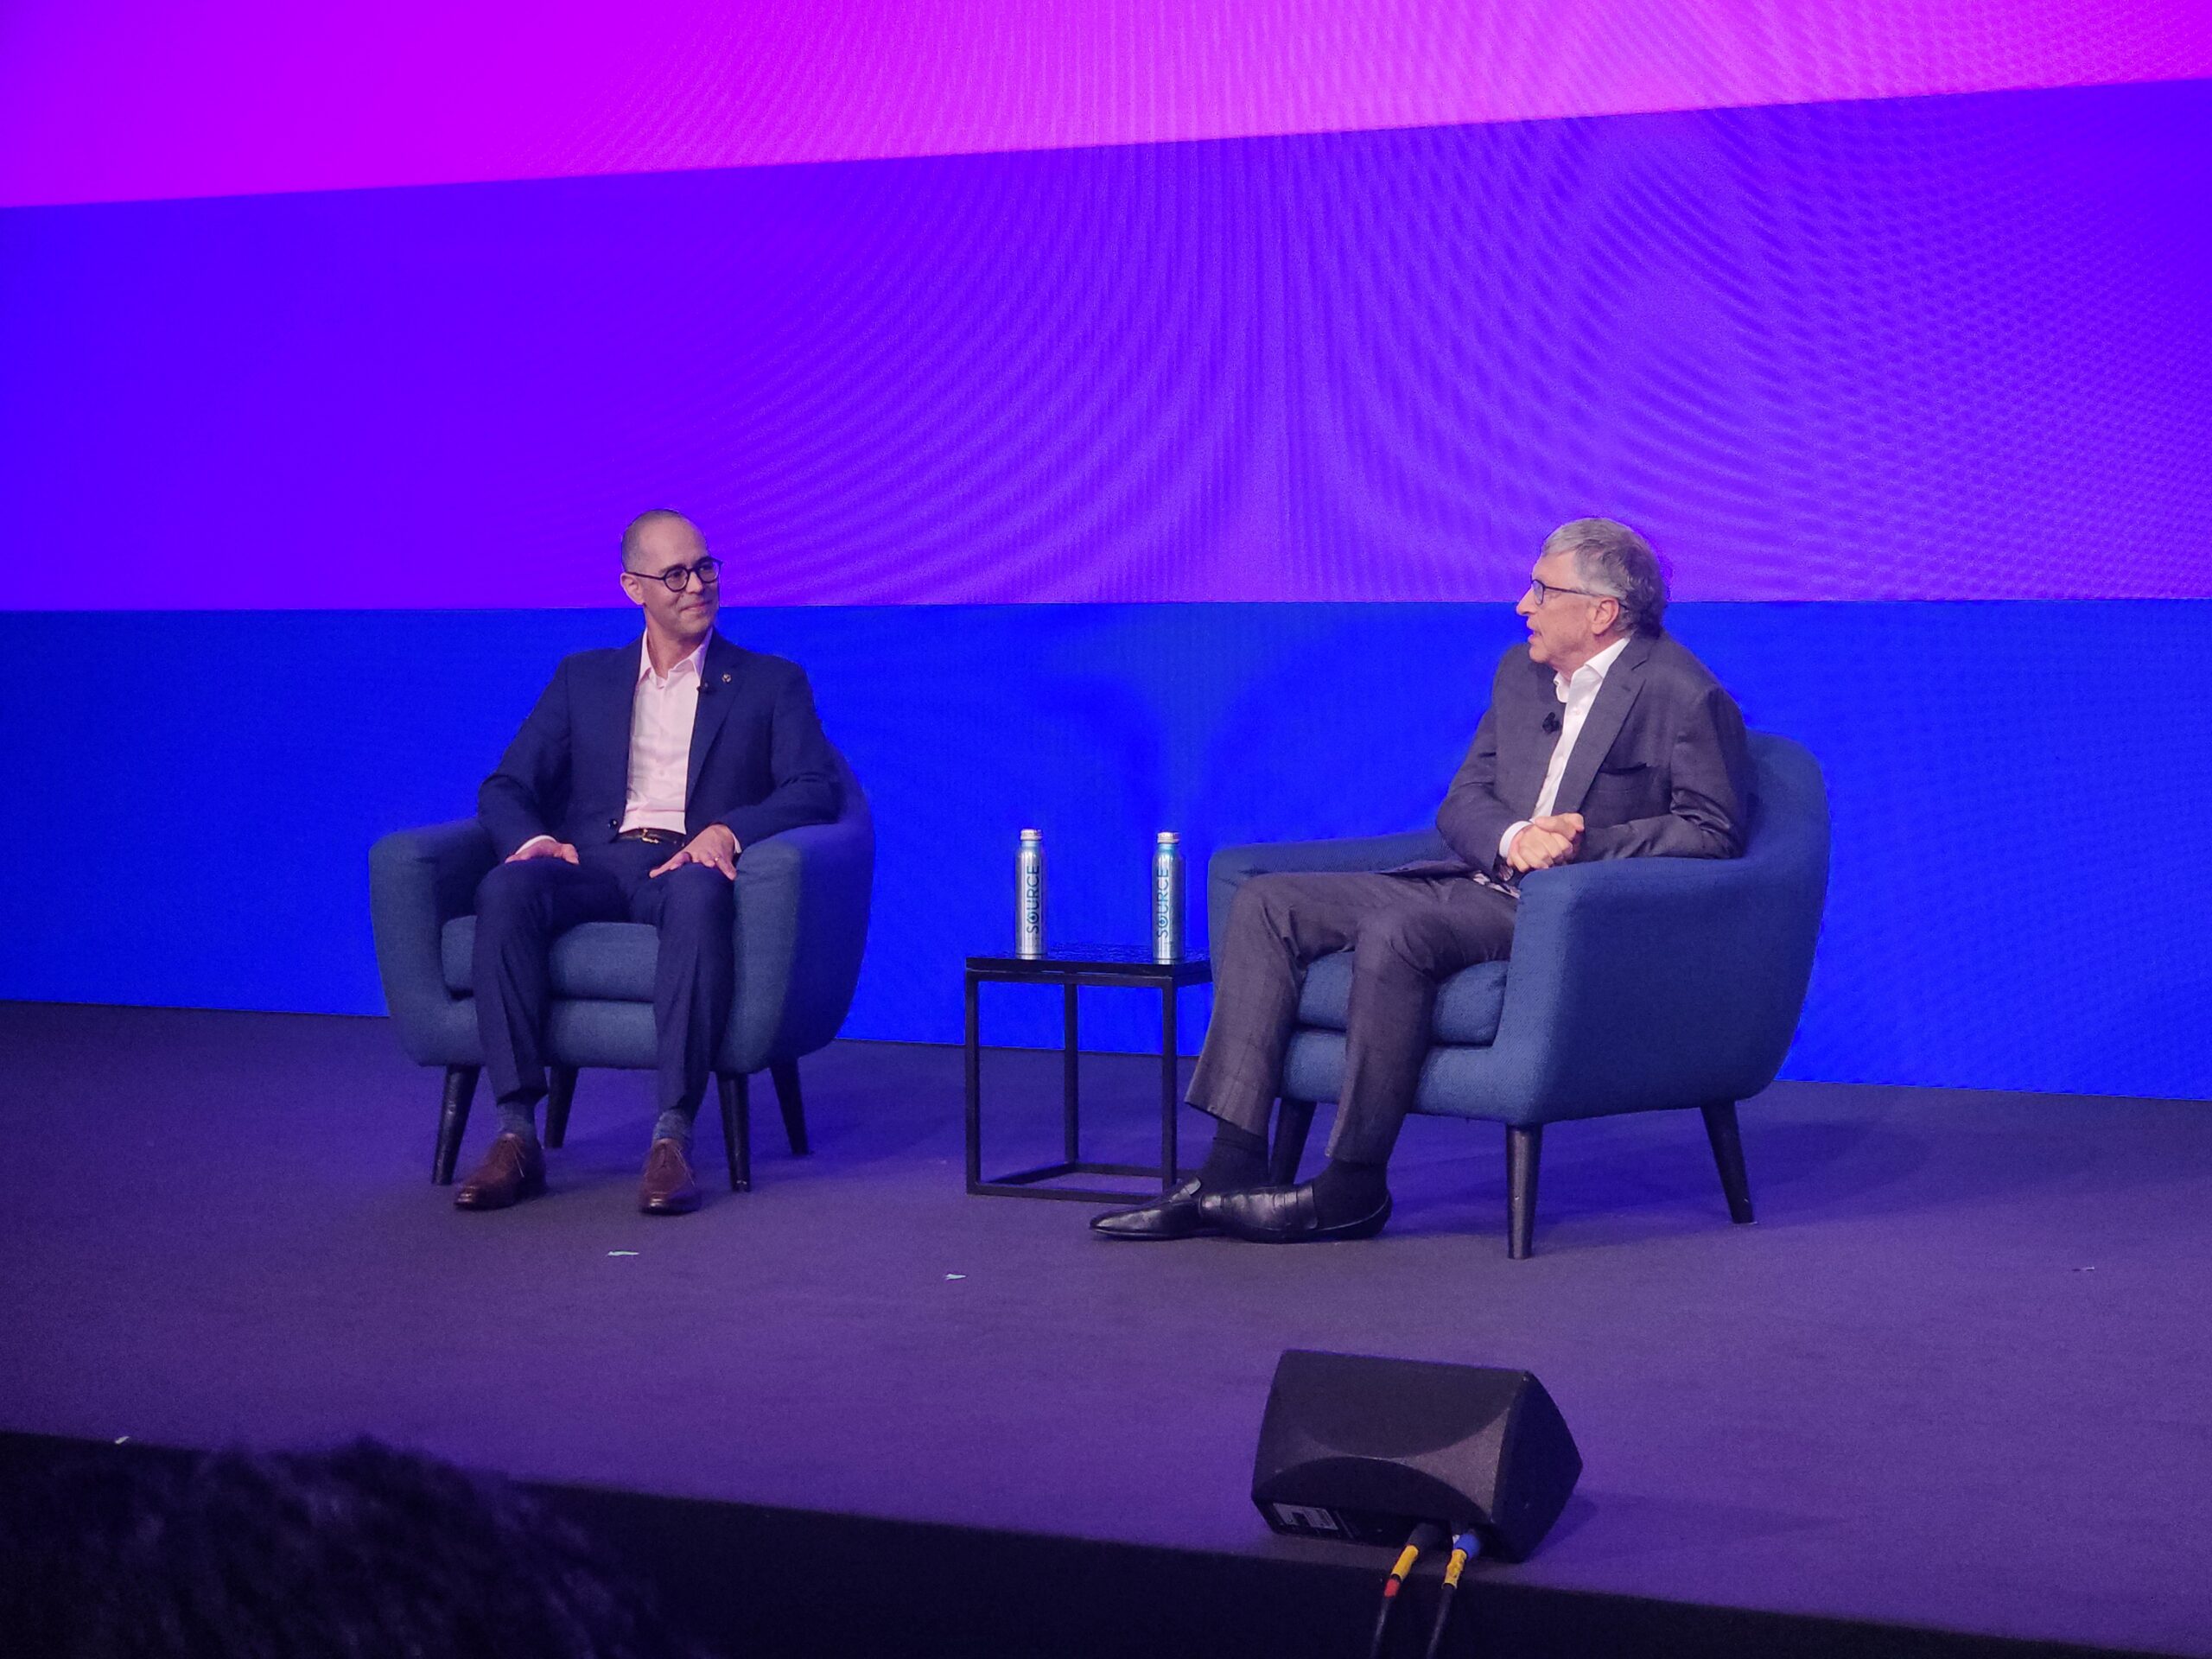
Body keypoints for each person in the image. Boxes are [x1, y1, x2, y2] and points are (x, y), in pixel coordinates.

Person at [1093, 518, 1749, 1244]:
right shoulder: (1520, 673)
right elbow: (1463, 800)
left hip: (1560, 911)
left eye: (1541, 589)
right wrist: (1514, 838)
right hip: (1477, 875)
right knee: (1269, 900)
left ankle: (1353, 1185)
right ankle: (1230, 1169)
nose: (1521, 605)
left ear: (1602, 612)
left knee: (1398, 931)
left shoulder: (1682, 694)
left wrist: (1582, 846)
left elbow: (1712, 830)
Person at [456, 510, 840, 1216]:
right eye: (675, 575)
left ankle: (672, 1137)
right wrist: (534, 843)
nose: (698, 585)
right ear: (633, 588)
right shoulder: (583, 679)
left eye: (706, 567)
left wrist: (728, 829)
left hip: (685, 863)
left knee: (700, 898)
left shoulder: (769, 682)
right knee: (506, 890)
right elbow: (505, 786)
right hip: (594, 861)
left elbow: (816, 789)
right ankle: (515, 1133)